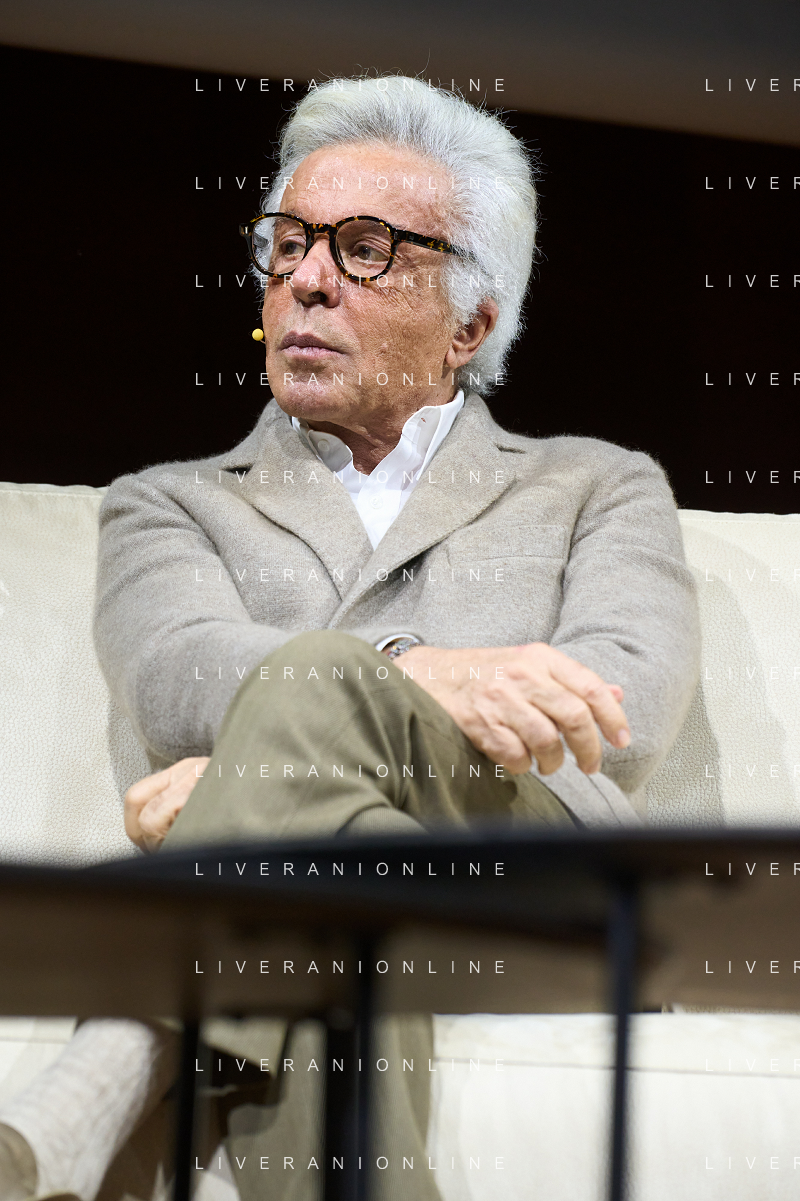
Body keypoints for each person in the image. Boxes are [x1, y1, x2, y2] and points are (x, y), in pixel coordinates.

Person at [0, 75, 700, 1201]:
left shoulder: (595, 486)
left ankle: (110, 1066)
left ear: (469, 324)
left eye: (364, 249)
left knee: (313, 687)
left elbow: (612, 715)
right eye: (288, 244)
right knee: (329, 885)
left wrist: (258, 770)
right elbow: (177, 677)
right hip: (319, 901)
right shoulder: (169, 501)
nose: (306, 279)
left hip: (539, 891)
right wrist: (378, 714)